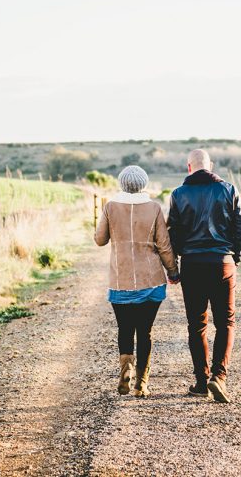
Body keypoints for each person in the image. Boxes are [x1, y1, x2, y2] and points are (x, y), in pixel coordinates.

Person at [167, 149, 241, 403]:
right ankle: (219, 377)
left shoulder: (178, 194)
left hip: (192, 264)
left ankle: (202, 382)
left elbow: (174, 235)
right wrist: (234, 258)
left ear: (189, 167)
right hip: (222, 262)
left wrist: (177, 265)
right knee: (225, 322)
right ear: (210, 166)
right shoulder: (229, 190)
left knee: (196, 325)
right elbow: (240, 231)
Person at [94, 165, 180, 397]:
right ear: (143, 183)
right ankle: (141, 383)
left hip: (120, 281)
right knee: (145, 331)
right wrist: (173, 271)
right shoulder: (153, 208)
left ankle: (125, 371)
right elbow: (164, 244)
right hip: (150, 281)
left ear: (122, 183)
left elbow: (100, 240)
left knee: (124, 328)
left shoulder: (110, 207)